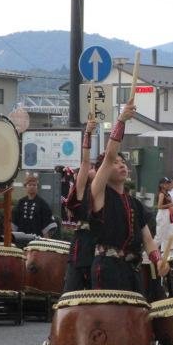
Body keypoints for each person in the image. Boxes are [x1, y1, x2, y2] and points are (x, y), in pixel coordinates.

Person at [89, 100, 169, 292]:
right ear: (105, 171)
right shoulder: (99, 193)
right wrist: (121, 121)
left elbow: (148, 240)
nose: (122, 165)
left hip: (131, 269)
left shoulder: (134, 204)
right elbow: (108, 156)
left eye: (123, 162)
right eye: (116, 163)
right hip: (106, 268)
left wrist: (158, 261)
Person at [62, 118, 97, 292]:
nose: (92, 169)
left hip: (100, 249)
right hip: (82, 245)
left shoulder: (110, 194)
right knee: (71, 294)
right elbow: (84, 163)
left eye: (96, 167)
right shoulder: (82, 191)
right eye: (92, 167)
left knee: (97, 298)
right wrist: (88, 133)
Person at [155, 177, 173, 254]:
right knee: (159, 237)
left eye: (169, 183)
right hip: (162, 215)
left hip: (167, 215)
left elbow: (170, 205)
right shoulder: (161, 194)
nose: (169, 185)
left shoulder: (167, 194)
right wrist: (170, 205)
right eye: (166, 183)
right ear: (161, 185)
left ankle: (169, 253)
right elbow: (159, 206)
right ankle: (147, 255)